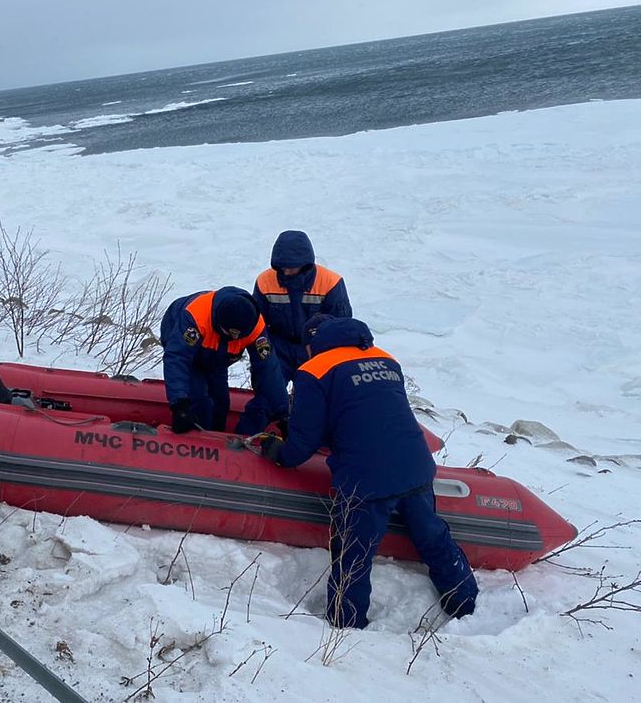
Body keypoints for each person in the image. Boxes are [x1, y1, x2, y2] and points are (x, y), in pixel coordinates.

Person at [260, 315, 477, 629]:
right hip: (415, 465)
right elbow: (371, 409)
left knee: (353, 553)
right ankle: (464, 601)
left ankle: (345, 624)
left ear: (311, 344)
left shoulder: (313, 371)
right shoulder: (385, 359)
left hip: (365, 477)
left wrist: (280, 453)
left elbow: (305, 439)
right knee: (433, 537)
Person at [159, 286, 288, 435]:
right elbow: (177, 358)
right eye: (229, 333)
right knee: (200, 401)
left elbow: (269, 369)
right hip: (181, 339)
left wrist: (283, 414)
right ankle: (198, 444)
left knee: (221, 403)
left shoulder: (255, 328)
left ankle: (218, 441)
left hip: (217, 359)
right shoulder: (196, 317)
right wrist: (179, 405)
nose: (234, 338)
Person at [252, 230, 352, 382]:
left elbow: (341, 327)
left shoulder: (330, 283)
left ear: (304, 264)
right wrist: (263, 354)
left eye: (291, 266)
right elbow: (257, 323)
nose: (285, 270)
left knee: (312, 398)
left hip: (315, 350)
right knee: (269, 392)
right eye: (282, 266)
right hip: (279, 349)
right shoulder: (264, 281)